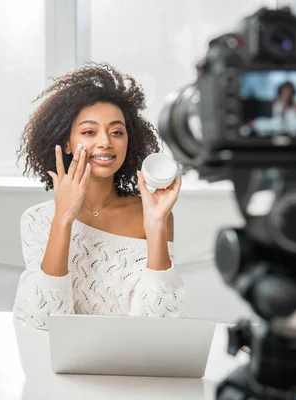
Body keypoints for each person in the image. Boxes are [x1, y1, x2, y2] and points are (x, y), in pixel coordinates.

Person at [13, 63, 185, 330]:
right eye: (89, 132)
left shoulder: (154, 215)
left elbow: (160, 325)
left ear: (130, 140)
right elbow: (43, 321)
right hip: (54, 366)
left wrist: (155, 226)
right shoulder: (38, 219)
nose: (105, 142)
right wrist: (62, 220)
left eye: (116, 132)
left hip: (130, 363)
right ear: (67, 142)